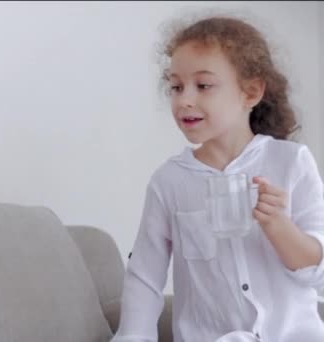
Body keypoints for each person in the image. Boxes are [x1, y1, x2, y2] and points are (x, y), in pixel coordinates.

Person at [114, 16, 324, 341]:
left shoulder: (291, 162)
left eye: (203, 85)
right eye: (176, 86)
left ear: (250, 92)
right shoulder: (169, 181)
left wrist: (279, 227)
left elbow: (317, 272)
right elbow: (144, 276)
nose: (184, 99)